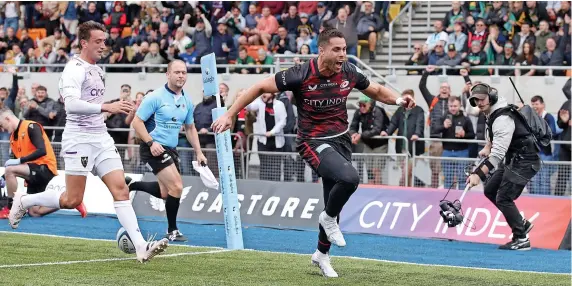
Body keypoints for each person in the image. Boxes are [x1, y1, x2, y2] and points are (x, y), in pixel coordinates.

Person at [211, 28, 415, 277]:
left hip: (340, 140)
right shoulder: (300, 74)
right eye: (337, 50)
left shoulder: (349, 71)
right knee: (349, 179)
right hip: (312, 141)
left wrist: (397, 100)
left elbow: (375, 90)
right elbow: (259, 87)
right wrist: (229, 114)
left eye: (344, 49)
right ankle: (327, 219)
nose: (343, 54)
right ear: (322, 50)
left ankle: (322, 255)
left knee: (333, 202)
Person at [8, 21, 169, 263]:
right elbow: (71, 104)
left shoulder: (98, 70)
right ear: (84, 43)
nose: (103, 46)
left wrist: (112, 111)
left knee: (121, 190)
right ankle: (25, 200)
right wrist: (107, 106)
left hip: (100, 137)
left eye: (104, 41)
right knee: (72, 200)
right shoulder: (74, 68)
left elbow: (93, 108)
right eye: (98, 41)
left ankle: (141, 247)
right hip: (78, 139)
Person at [127, 60, 207, 242]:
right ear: (168, 74)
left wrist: (199, 152)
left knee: (166, 193)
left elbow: (190, 128)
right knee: (177, 187)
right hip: (153, 149)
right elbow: (136, 123)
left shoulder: (187, 100)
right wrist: (150, 143)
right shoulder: (155, 97)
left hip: (171, 149)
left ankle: (132, 185)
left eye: (184, 73)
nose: (181, 76)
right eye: (177, 72)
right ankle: (172, 230)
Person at [466, 83, 536, 250]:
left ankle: (521, 238)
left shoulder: (503, 118)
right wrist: (488, 146)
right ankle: (522, 224)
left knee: (503, 197)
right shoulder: (493, 111)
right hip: (514, 159)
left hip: (524, 161)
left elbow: (497, 156)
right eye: (476, 100)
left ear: (491, 98)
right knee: (490, 190)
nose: (479, 103)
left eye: (482, 99)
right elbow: (495, 138)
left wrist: (478, 174)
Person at [0, 109, 87, 218]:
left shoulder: (31, 127)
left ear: (8, 119)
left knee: (10, 170)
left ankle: (10, 208)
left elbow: (42, 150)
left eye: (1, 125)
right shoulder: (13, 138)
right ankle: (72, 201)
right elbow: (18, 166)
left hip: (44, 168)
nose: (2, 129)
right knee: (34, 212)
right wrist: (3, 177)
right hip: (32, 171)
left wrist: (19, 161)